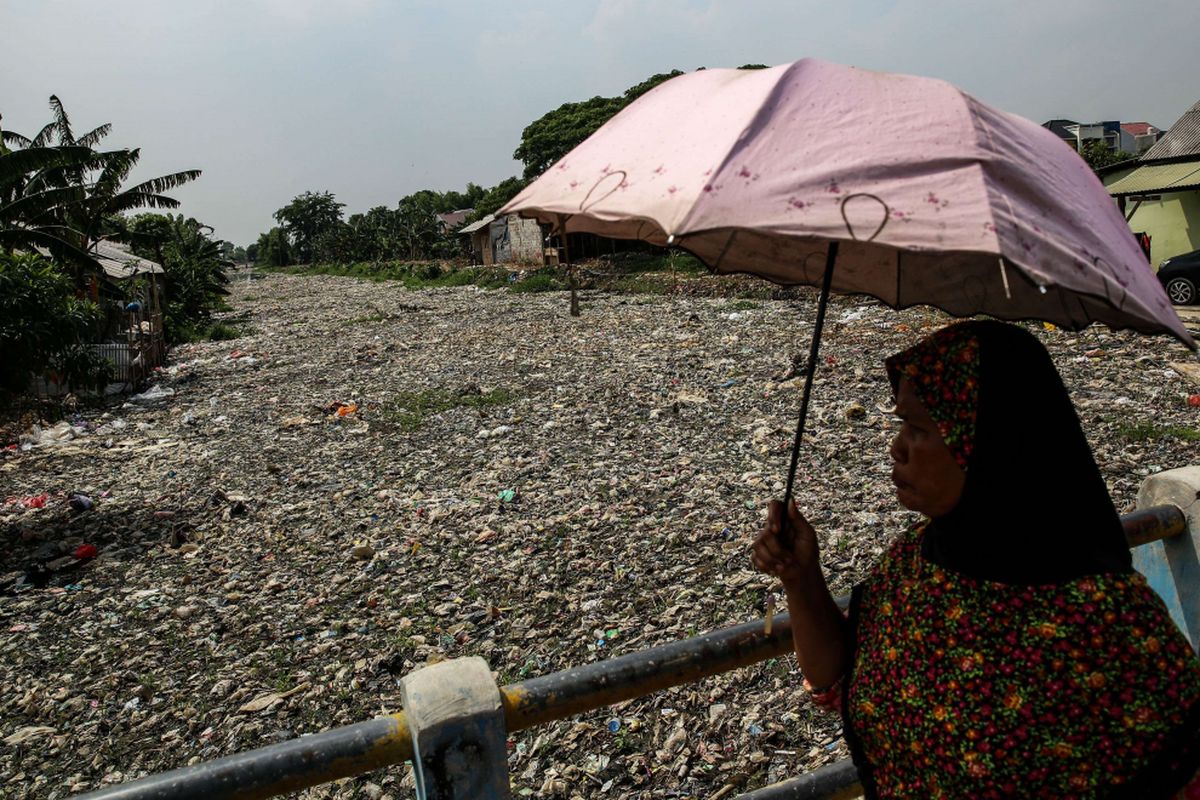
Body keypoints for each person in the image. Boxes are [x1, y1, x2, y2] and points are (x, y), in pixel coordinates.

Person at [751, 320, 1200, 799]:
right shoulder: (915, 564)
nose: (896, 447)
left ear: (989, 443)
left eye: (919, 428)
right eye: (900, 423)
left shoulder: (1104, 620)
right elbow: (834, 677)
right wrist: (801, 578)